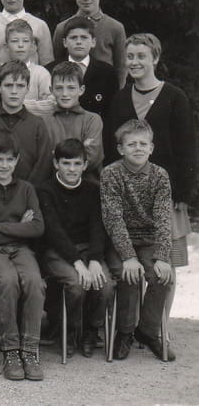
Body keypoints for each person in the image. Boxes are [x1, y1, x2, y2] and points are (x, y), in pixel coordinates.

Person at [105, 34, 195, 324]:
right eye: (130, 56)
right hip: (129, 196)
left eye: (141, 56)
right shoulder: (120, 98)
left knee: (166, 265)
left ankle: (157, 328)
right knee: (130, 265)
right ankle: (131, 327)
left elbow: (186, 147)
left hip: (166, 195)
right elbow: (111, 148)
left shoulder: (174, 97)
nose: (134, 62)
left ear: (155, 58)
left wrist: (183, 193)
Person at [0, 128, 45, 381]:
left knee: (34, 281)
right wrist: (18, 228)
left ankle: (30, 350)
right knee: (8, 280)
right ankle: (11, 350)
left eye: (9, 159)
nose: (4, 165)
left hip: (21, 249)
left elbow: (37, 227)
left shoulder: (26, 189)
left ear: (17, 160)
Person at [101, 119, 175, 361]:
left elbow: (163, 218)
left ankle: (148, 331)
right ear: (121, 149)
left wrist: (162, 257)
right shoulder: (111, 173)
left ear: (151, 148)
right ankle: (124, 332)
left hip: (149, 239)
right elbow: (113, 219)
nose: (138, 148)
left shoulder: (160, 175)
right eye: (131, 144)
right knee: (129, 276)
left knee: (162, 275)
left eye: (143, 144)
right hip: (120, 240)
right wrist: (128, 256)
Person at [38, 138, 112, 357]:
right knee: (76, 284)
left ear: (85, 165)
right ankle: (68, 331)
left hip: (88, 249)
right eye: (66, 163)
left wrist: (95, 260)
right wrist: (77, 263)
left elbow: (97, 227)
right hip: (57, 252)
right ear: (56, 164)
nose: (72, 169)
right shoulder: (45, 190)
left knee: (105, 285)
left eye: (77, 163)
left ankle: (90, 330)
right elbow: (54, 231)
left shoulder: (92, 190)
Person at [0, 61, 53, 185]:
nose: (14, 91)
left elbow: (43, 166)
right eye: (8, 85)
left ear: (27, 88)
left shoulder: (38, 125)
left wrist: (26, 191)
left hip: (28, 193)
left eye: (20, 86)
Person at [52, 0, 127, 87]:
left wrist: (117, 93)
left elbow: (121, 68)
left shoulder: (115, 27)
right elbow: (58, 63)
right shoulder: (62, 28)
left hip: (104, 89)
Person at [47, 17, 119, 120]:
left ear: (93, 42)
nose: (78, 42)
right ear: (65, 42)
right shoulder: (50, 70)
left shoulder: (107, 72)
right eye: (73, 38)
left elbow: (112, 112)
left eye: (84, 37)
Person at [42, 61, 103, 180]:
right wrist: (81, 150)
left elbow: (92, 158)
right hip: (53, 184)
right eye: (59, 88)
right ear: (51, 90)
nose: (65, 94)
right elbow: (44, 159)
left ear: (81, 90)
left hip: (87, 184)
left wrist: (57, 154)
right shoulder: (44, 121)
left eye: (71, 88)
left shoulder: (92, 120)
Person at [4, 19, 54, 117]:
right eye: (14, 41)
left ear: (32, 46)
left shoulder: (41, 73)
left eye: (25, 41)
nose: (20, 45)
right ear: (6, 47)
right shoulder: (0, 72)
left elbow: (51, 104)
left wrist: (16, 105)